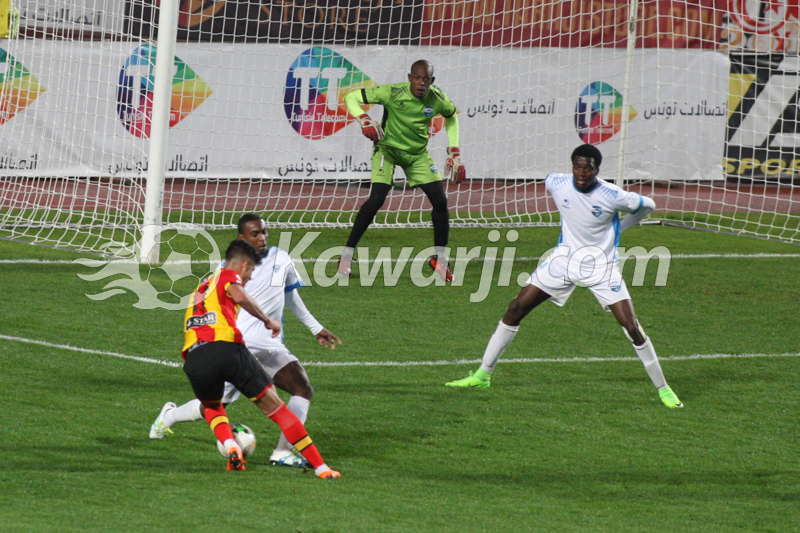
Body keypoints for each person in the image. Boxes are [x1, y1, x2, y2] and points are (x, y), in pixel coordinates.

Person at [445, 144, 683, 409]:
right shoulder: (557, 183)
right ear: (572, 167)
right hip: (563, 261)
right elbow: (551, 183)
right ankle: (481, 376)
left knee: (632, 327)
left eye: (588, 168)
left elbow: (647, 205)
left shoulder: (612, 195)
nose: (582, 173)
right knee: (515, 308)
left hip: (601, 267)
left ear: (596, 170)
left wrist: (619, 229)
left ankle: (664, 390)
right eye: (577, 167)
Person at [150, 214, 342, 468]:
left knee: (302, 388)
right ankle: (170, 416)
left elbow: (290, 295)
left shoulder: (280, 258)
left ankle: (283, 451)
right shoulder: (227, 268)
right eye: (255, 234)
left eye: (264, 232)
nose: (262, 238)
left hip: (270, 345)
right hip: (237, 346)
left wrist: (315, 327)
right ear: (242, 238)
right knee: (216, 405)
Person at [338, 59, 465, 282]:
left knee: (441, 202)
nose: (421, 83)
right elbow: (351, 97)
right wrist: (364, 120)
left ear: (432, 81)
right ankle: (346, 256)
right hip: (387, 150)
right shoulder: (392, 92)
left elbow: (452, 116)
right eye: (417, 77)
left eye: (426, 79)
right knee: (376, 200)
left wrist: (454, 152)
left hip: (417, 155)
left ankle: (439, 260)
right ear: (409, 78)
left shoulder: (437, 98)